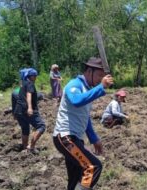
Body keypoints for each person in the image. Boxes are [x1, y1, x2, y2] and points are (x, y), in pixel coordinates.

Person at [53, 57, 113, 190]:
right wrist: (101, 87)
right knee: (92, 167)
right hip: (65, 137)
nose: (100, 79)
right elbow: (76, 100)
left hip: (75, 139)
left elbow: (85, 118)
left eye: (103, 76)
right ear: (89, 71)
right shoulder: (74, 84)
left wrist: (94, 139)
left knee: (75, 179)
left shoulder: (87, 89)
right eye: (99, 75)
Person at [14, 68, 46, 154]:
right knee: (41, 126)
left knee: (25, 129)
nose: (36, 77)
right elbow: (29, 95)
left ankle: (25, 148)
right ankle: (31, 147)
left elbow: (17, 97)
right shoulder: (30, 84)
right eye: (35, 76)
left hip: (19, 110)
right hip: (26, 110)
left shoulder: (23, 84)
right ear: (31, 76)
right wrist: (30, 108)